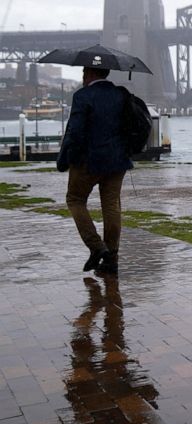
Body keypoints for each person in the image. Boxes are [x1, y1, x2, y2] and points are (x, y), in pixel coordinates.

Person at [56, 66, 133, 276]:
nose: (82, 77)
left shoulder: (83, 96)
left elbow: (75, 131)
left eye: (83, 74)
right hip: (117, 161)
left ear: (88, 74)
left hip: (88, 162)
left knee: (75, 200)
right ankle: (111, 260)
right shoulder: (121, 94)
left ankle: (97, 246)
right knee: (111, 206)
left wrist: (67, 159)